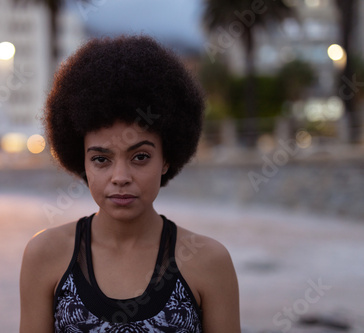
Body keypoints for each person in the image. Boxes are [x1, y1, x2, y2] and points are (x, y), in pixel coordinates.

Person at [19, 35, 240, 332]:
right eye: (101, 159)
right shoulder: (44, 255)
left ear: (166, 158)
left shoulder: (210, 262)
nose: (120, 177)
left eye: (140, 157)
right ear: (80, 161)